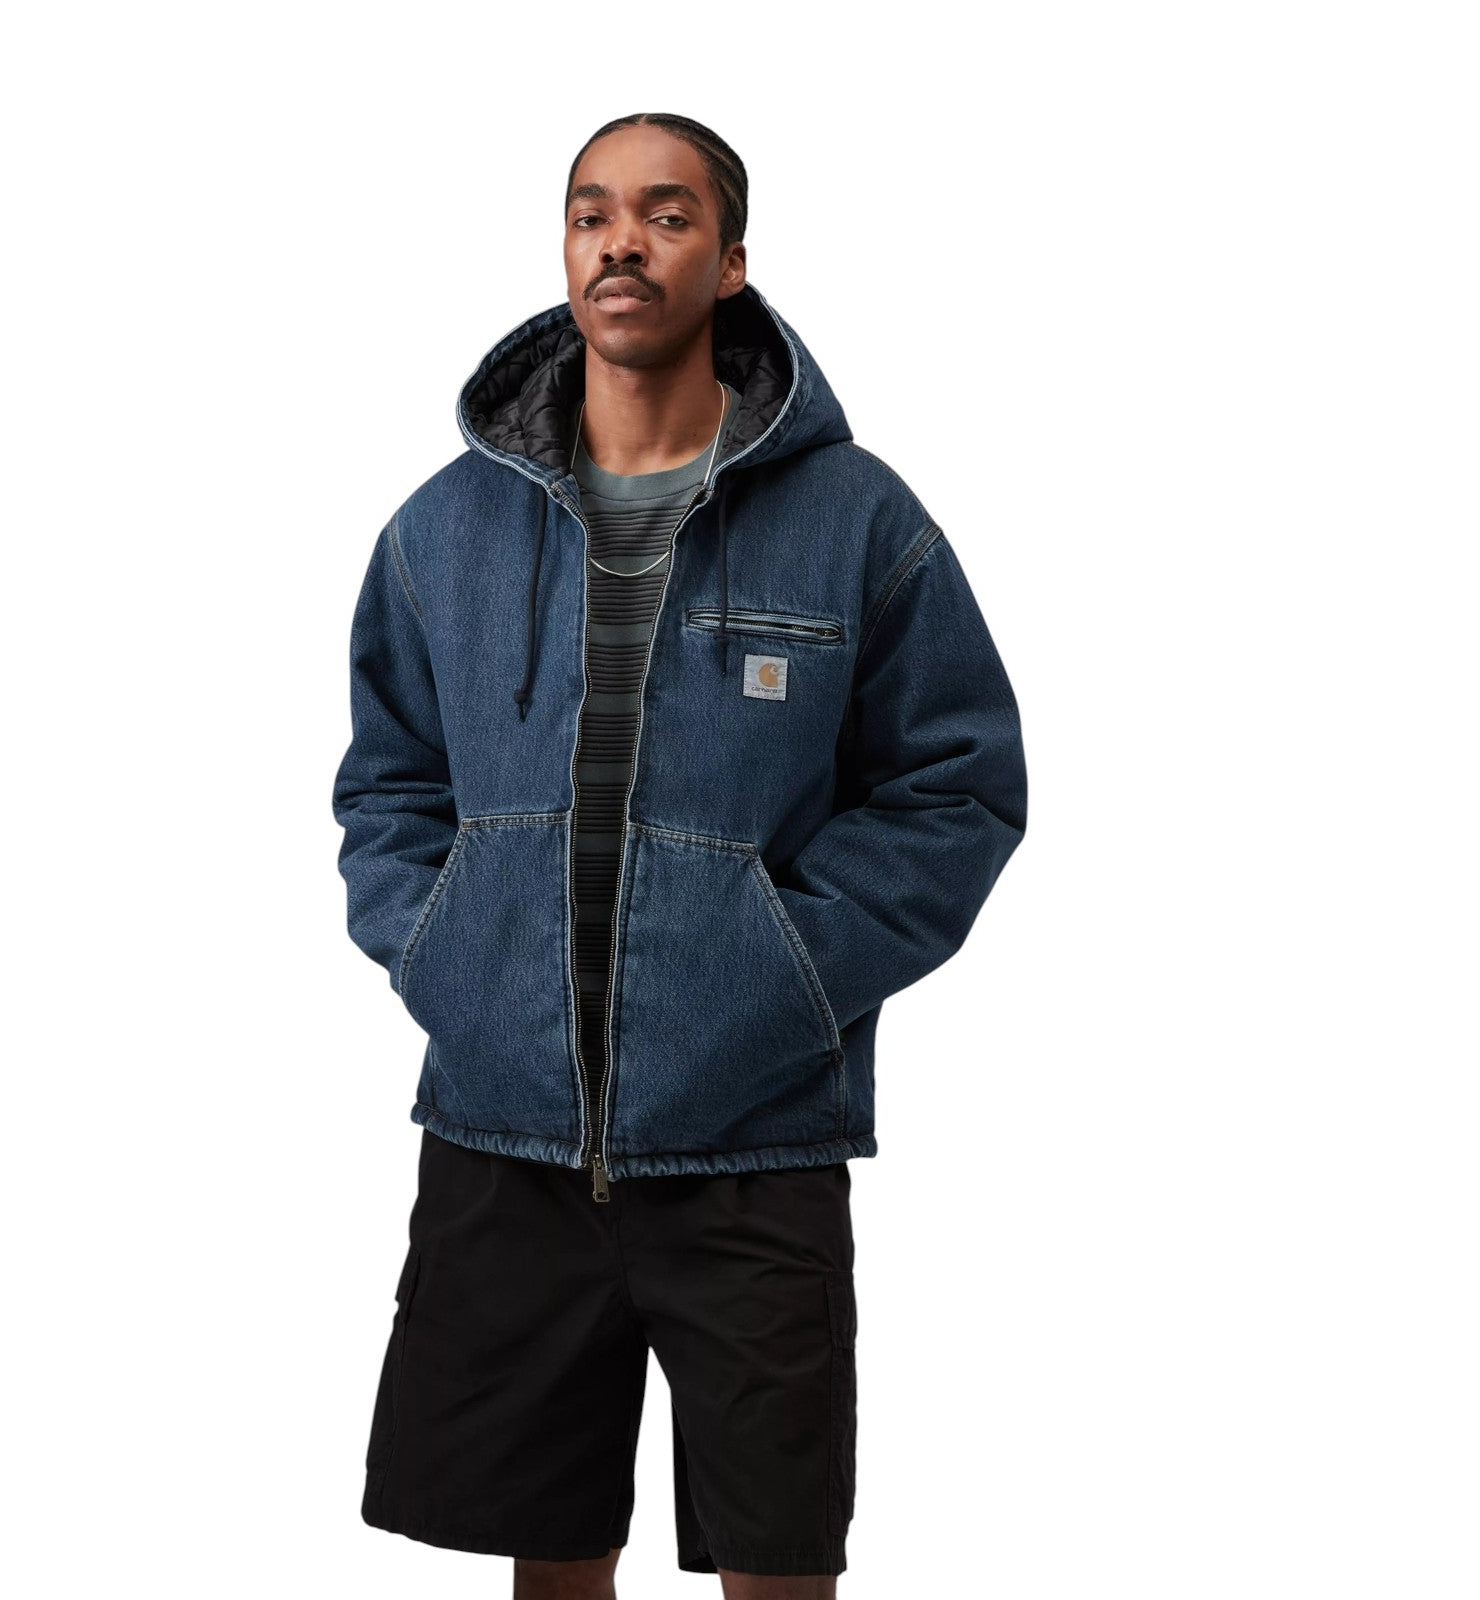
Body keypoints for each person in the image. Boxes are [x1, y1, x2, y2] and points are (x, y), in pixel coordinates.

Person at [332, 112, 1028, 1599]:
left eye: (665, 215)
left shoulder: (857, 522)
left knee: (777, 1567)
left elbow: (957, 787)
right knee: (548, 1559)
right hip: (505, 1138)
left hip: (753, 1150)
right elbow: (387, 787)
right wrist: (448, 957)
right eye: (592, 215)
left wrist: (784, 970)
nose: (622, 245)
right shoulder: (442, 532)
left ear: (730, 262)